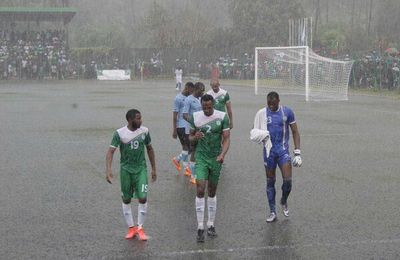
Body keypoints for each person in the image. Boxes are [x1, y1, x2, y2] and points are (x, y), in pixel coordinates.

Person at [105, 109, 157, 240]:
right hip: (126, 170)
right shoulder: (120, 133)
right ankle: (131, 228)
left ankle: (140, 228)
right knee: (126, 199)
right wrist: (108, 170)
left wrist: (154, 168)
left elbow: (150, 149)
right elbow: (111, 152)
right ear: (130, 120)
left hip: (140, 169)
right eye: (138, 118)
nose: (141, 120)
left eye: (141, 118)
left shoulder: (144, 131)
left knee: (143, 197)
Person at [251, 91, 301, 223]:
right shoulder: (262, 113)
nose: (271, 107)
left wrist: (297, 152)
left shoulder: (287, 112)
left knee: (288, 181)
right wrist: (260, 135)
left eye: (273, 104)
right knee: (270, 181)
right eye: (269, 104)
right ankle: (272, 211)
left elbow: (295, 131)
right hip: (269, 153)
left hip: (283, 151)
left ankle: (283, 200)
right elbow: (254, 131)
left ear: (279, 101)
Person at [189, 94, 230, 242]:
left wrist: (222, 154)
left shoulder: (222, 116)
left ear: (213, 105)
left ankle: (211, 224)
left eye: (209, 107)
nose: (207, 109)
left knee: (212, 192)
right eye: (204, 107)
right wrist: (195, 137)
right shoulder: (196, 117)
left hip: (216, 158)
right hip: (201, 158)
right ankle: (200, 227)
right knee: (200, 189)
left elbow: (226, 139)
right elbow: (190, 138)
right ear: (201, 105)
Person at [183, 82, 205, 184]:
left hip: (202, 127)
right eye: (201, 90)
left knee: (198, 151)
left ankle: (193, 171)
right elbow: (185, 115)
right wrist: (194, 121)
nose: (203, 92)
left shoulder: (202, 98)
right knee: (194, 150)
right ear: (196, 89)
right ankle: (192, 175)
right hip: (192, 128)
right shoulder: (188, 100)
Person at [172, 82, 194, 172]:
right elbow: (175, 115)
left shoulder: (190, 98)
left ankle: (179, 161)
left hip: (188, 126)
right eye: (191, 90)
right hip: (181, 126)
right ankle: (185, 167)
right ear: (187, 88)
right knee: (187, 147)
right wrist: (174, 129)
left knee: (188, 148)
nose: (192, 92)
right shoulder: (178, 98)